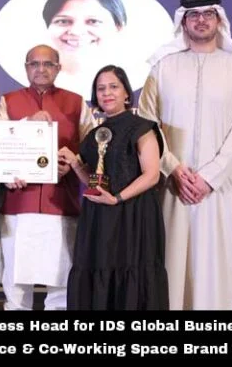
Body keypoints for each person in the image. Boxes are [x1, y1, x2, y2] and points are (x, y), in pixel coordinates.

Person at [137, 0, 232, 310]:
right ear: (183, 23)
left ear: (219, 20)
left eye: (208, 14)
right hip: (172, 186)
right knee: (171, 263)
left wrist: (209, 177)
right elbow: (147, 126)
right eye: (193, 15)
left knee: (215, 266)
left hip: (218, 188)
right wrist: (174, 169)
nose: (201, 20)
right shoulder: (162, 68)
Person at [0, 44, 96, 310]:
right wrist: (27, 123)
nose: (41, 69)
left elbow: (92, 150)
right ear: (26, 68)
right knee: (16, 288)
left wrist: (72, 163)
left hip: (62, 205)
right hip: (18, 204)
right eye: (35, 64)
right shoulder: (8, 101)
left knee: (61, 286)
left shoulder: (76, 103)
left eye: (48, 64)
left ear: (58, 68)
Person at [61, 65, 168, 310]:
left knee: (132, 273)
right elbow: (94, 180)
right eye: (101, 89)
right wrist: (75, 164)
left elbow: (152, 175)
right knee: (98, 272)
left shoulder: (143, 127)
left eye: (113, 87)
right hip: (99, 217)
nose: (107, 93)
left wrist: (117, 198)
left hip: (134, 216)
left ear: (126, 93)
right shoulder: (94, 135)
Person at [42, 0, 127, 98]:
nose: (76, 31)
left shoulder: (139, 79)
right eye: (63, 21)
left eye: (93, 21)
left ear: (118, 27)